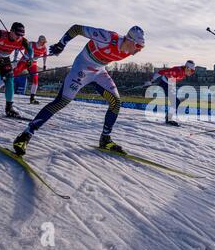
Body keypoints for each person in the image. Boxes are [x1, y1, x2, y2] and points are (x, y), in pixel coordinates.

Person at [13, 25, 145, 156]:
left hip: (98, 72)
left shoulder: (129, 50)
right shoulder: (108, 37)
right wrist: (61, 44)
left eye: (141, 47)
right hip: (81, 69)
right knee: (61, 102)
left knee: (115, 102)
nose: (139, 50)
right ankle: (25, 135)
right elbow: (77, 29)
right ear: (129, 40)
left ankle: (105, 139)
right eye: (138, 46)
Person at [145, 60, 196, 126]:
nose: (192, 73)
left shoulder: (183, 73)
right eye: (191, 71)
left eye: (193, 71)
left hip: (169, 84)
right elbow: (161, 72)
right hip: (164, 84)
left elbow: (172, 79)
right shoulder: (177, 71)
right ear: (187, 68)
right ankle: (168, 118)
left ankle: (168, 117)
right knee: (176, 102)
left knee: (176, 102)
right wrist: (151, 80)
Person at [13, 35, 48, 104]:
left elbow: (45, 56)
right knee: (13, 74)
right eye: (42, 42)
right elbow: (18, 48)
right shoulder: (31, 44)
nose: (43, 44)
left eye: (44, 42)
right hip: (24, 61)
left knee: (35, 79)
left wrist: (44, 65)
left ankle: (32, 98)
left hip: (33, 64)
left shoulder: (44, 48)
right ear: (39, 40)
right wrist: (15, 58)